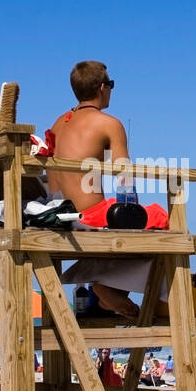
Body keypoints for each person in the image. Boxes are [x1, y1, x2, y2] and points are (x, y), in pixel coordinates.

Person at [46, 61, 138, 317]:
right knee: (158, 227)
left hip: (53, 212)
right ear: (101, 87)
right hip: (88, 214)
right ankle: (111, 290)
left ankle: (103, 293)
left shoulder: (58, 122)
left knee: (132, 223)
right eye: (111, 84)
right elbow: (124, 176)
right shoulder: (109, 123)